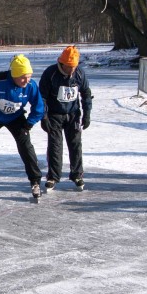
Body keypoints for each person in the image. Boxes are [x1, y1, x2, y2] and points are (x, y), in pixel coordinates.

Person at [0, 54, 44, 199]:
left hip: (16, 118)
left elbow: (39, 107)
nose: (27, 80)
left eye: (29, 76)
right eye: (23, 77)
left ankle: (35, 181)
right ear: (14, 75)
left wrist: (29, 123)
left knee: (26, 146)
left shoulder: (31, 85)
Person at [40, 46, 93, 190]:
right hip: (54, 115)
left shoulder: (80, 74)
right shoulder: (50, 73)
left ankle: (77, 174)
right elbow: (42, 97)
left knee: (75, 144)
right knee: (55, 146)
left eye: (74, 66)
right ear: (62, 64)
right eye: (69, 67)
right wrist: (44, 117)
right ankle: (53, 177)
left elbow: (86, 94)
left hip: (73, 114)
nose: (72, 70)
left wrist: (87, 114)